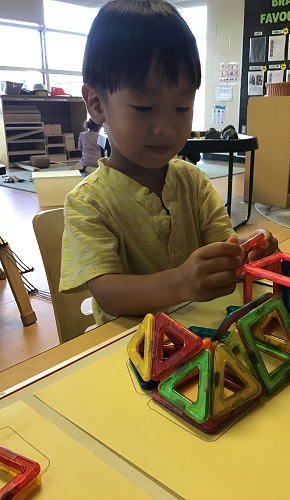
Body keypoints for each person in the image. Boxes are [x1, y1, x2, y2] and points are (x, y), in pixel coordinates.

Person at [59, 0, 278, 326]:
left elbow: (223, 247)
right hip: (129, 347)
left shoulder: (192, 182)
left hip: (199, 334)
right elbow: (107, 291)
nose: (166, 127)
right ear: (96, 103)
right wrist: (180, 282)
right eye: (144, 107)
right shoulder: (88, 202)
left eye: (181, 108)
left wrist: (249, 250)